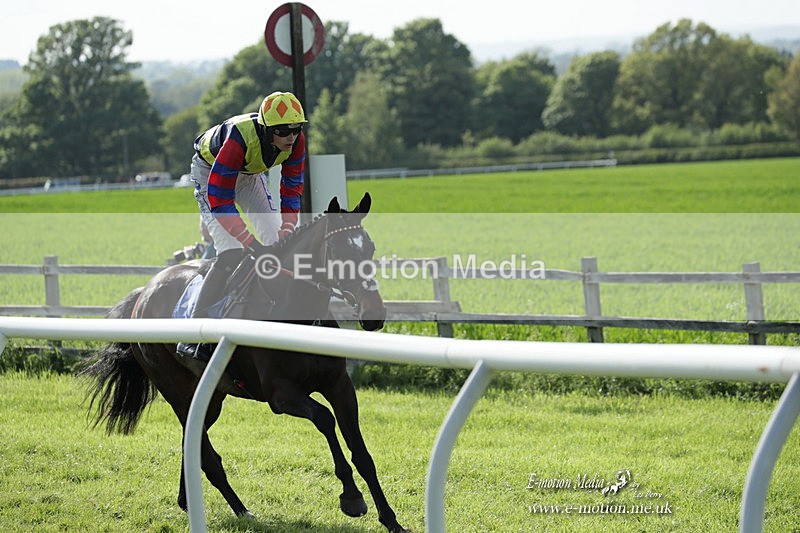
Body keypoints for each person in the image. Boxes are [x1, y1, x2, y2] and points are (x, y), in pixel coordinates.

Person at [176, 91, 307, 361]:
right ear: (266, 129)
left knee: (277, 242)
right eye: (283, 131)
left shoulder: (296, 143)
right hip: (211, 174)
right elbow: (219, 197)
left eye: (296, 129)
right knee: (232, 250)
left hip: (249, 174)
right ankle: (193, 332)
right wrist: (249, 241)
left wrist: (287, 227)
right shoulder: (239, 138)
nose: (291, 137)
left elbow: (292, 187)